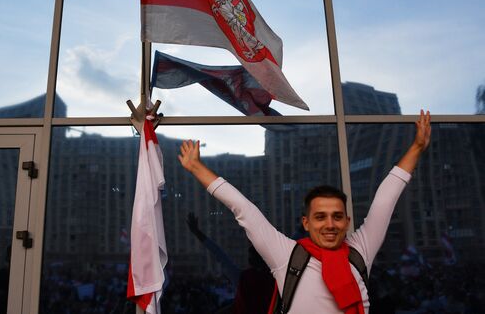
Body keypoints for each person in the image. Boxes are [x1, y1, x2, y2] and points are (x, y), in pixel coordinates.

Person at [177, 110, 431, 314]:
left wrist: (417, 147)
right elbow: (244, 209)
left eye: (337, 216)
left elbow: (386, 199)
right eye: (320, 217)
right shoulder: (287, 256)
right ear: (306, 223)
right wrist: (197, 168)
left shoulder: (360, 251)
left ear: (347, 222)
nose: (330, 224)